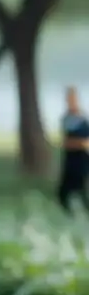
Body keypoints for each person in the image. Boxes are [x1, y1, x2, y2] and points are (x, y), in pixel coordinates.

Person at [58, 86, 89, 214]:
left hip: (81, 159)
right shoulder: (66, 119)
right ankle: (71, 214)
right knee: (63, 193)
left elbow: (85, 142)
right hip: (71, 159)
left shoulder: (82, 119)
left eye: (73, 98)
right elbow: (66, 142)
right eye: (69, 98)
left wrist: (79, 144)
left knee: (82, 190)